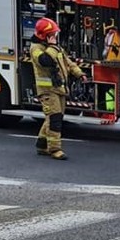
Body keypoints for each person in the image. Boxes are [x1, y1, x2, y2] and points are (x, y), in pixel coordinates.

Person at [30, 17, 86, 160]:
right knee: (55, 118)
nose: (55, 36)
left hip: (58, 88)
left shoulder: (55, 48)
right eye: (52, 34)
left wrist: (80, 74)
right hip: (47, 90)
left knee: (54, 117)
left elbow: (68, 62)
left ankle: (41, 144)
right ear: (45, 36)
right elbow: (45, 61)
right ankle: (55, 149)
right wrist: (52, 46)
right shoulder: (36, 48)